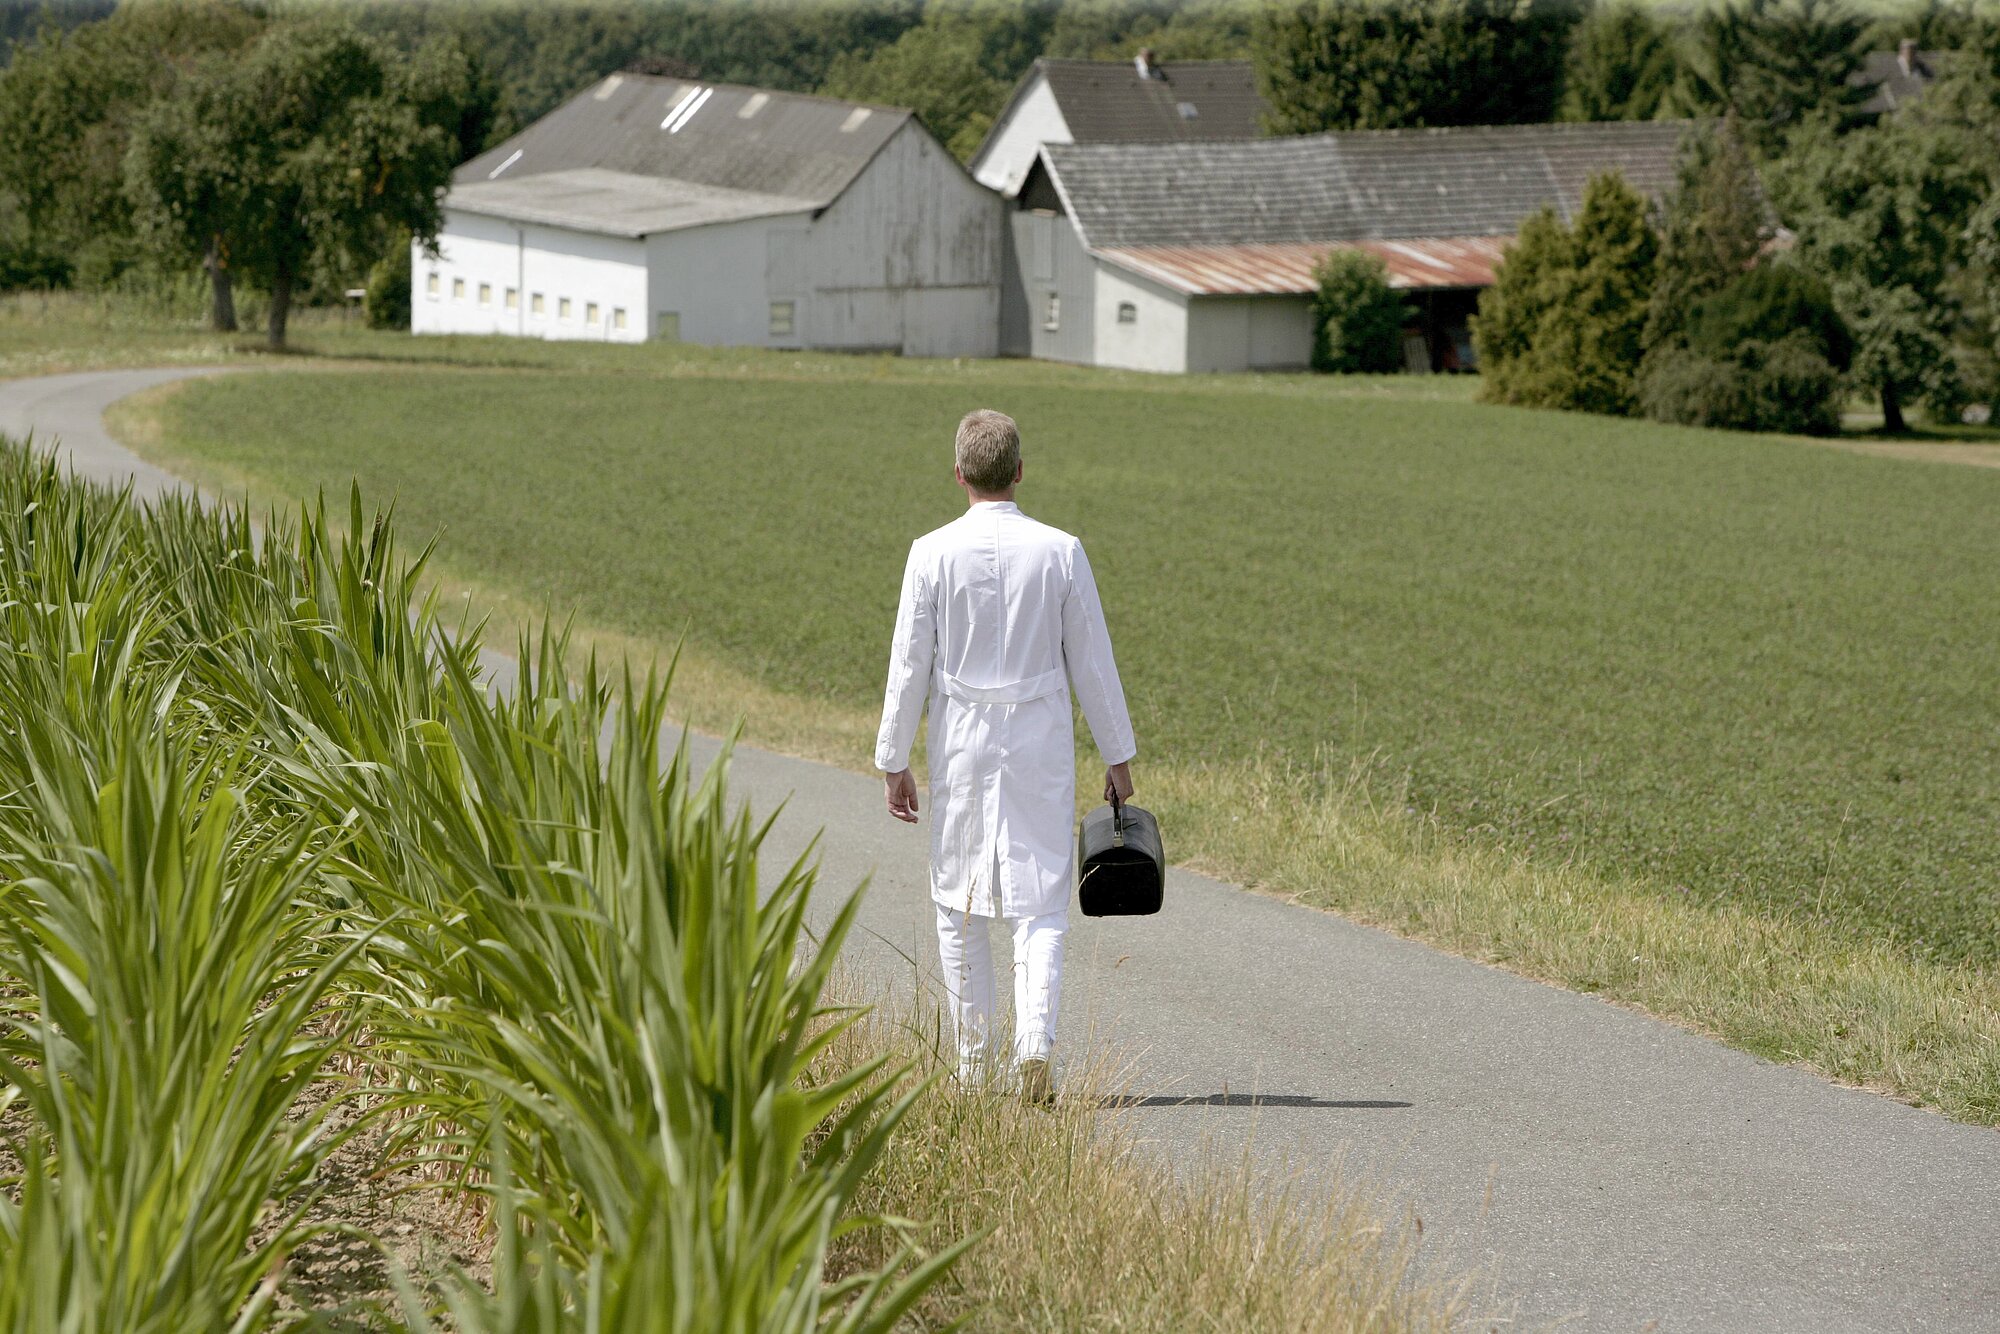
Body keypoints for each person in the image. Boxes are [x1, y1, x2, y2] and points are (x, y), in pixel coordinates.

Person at [875, 408, 1136, 1104]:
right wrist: (1118, 756)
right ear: (1019, 471)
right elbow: (1094, 662)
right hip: (1039, 739)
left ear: (958, 474)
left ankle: (970, 1067)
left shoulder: (929, 552)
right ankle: (1034, 1048)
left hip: (960, 737)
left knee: (958, 899)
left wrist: (893, 758)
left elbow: (909, 664)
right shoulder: (1062, 550)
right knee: (1042, 898)